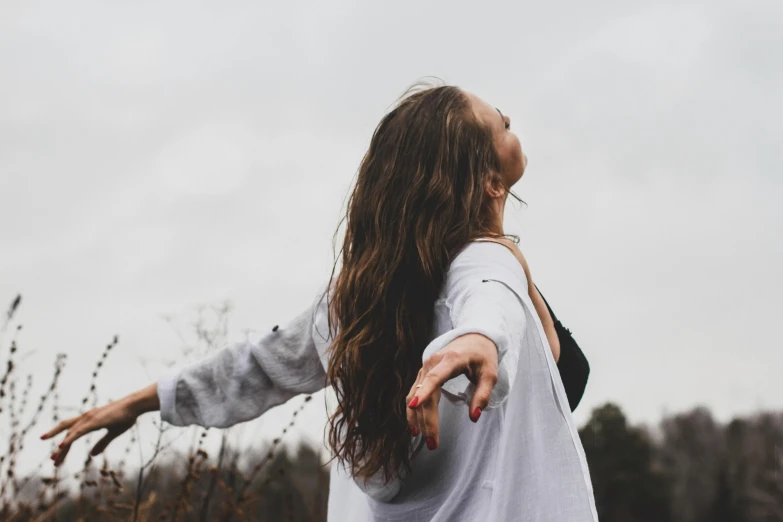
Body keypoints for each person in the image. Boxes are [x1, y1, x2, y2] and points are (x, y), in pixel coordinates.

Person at [41, 82, 598, 521]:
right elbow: (486, 300)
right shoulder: (483, 265)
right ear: (488, 181)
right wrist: (479, 338)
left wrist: (145, 399)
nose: (511, 121)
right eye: (501, 121)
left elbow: (254, 368)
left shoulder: (357, 302)